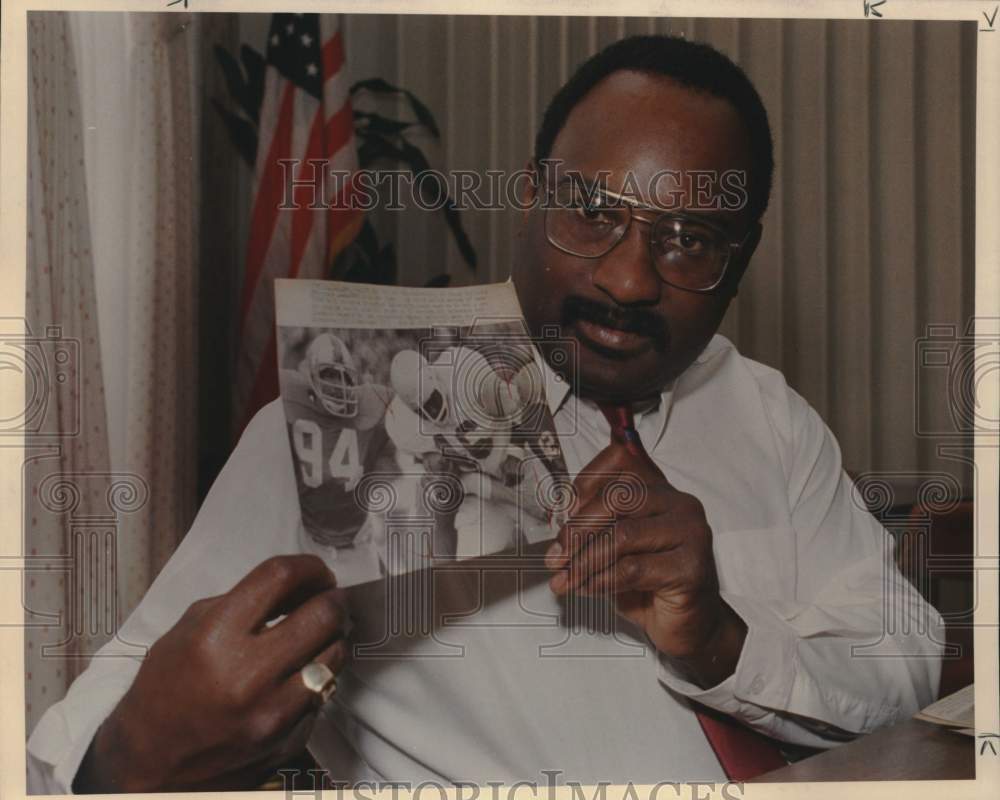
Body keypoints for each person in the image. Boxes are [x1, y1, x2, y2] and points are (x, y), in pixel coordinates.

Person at [27, 34, 943, 793]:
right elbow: (84, 745)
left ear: (738, 260)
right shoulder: (344, 423)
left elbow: (906, 661)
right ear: (531, 194)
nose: (629, 279)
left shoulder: (768, 414)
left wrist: (718, 639)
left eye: (689, 239)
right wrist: (129, 760)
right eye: (590, 211)